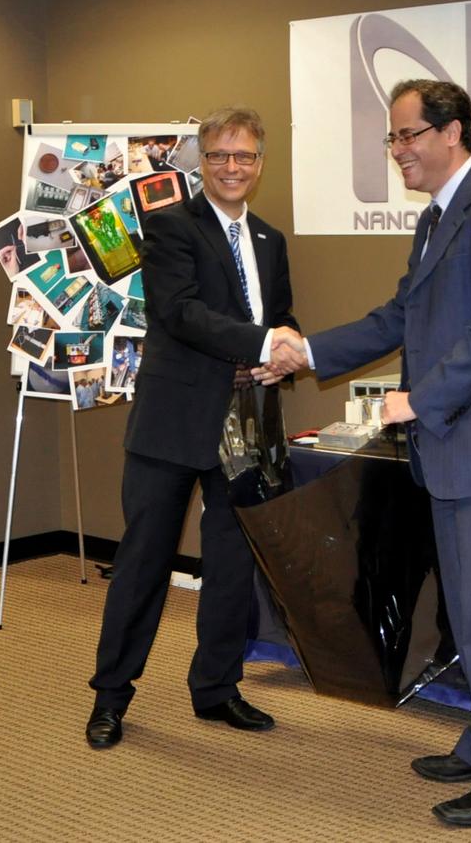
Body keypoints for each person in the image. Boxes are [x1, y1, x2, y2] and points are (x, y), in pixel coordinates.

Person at [262, 79, 471, 828]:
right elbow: (401, 315)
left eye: (407, 135)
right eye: (392, 138)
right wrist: (310, 352)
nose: (397, 150)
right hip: (456, 455)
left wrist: (419, 400)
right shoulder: (438, 219)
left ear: (451, 132)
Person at [85, 107, 298, 748]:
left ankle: (216, 689)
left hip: (247, 420)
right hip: (173, 422)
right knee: (143, 563)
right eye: (219, 156)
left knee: (232, 564)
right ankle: (111, 697)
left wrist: (280, 358)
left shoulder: (269, 240)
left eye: (245, 156)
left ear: (260, 163)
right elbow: (180, 313)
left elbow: (282, 315)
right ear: (200, 162)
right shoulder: (170, 227)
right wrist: (263, 344)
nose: (233, 167)